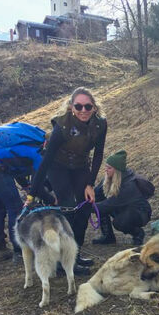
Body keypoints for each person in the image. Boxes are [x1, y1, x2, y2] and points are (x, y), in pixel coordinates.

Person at [27, 87, 107, 275]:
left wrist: (90, 184)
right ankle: (63, 262)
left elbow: (98, 155)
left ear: (94, 108)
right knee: (69, 209)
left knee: (85, 207)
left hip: (80, 166)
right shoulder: (61, 127)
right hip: (58, 167)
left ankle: (75, 254)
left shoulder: (100, 124)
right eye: (78, 106)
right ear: (71, 107)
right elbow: (45, 162)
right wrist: (32, 193)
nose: (83, 110)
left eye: (88, 106)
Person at [0, 139, 53, 262]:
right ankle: (19, 251)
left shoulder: (27, 147)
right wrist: (52, 201)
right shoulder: (39, 156)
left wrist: (26, 186)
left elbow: (15, 166)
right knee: (15, 208)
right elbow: (38, 186)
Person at [92, 150, 152, 246]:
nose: (106, 170)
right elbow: (96, 195)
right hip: (123, 208)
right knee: (99, 201)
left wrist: (87, 207)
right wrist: (85, 199)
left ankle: (138, 233)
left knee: (119, 222)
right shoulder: (108, 178)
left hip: (140, 213)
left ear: (117, 170)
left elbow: (108, 205)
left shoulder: (128, 185)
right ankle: (108, 236)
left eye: (109, 168)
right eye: (106, 167)